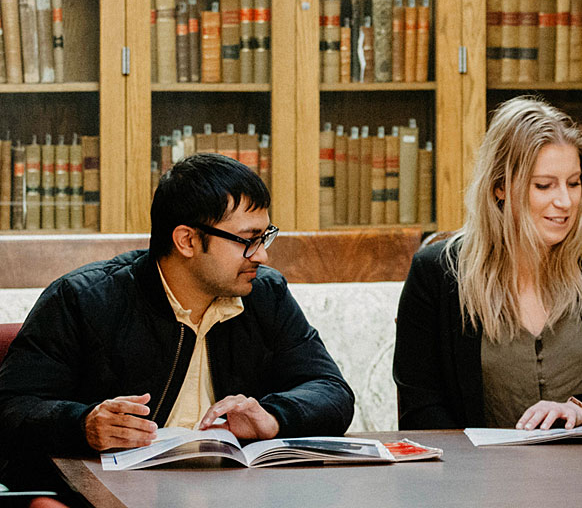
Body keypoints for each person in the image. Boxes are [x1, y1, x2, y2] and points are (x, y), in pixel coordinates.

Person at [0, 153, 354, 466]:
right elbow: (11, 407)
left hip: (238, 493)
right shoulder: (84, 298)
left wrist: (274, 417)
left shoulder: (265, 294)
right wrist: (84, 424)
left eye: (265, 237)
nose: (262, 255)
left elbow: (331, 390)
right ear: (187, 240)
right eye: (248, 240)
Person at [394, 96, 582, 430]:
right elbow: (419, 407)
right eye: (544, 185)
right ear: (500, 188)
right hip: (477, 476)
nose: (565, 202)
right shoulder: (436, 273)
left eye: (574, 182)